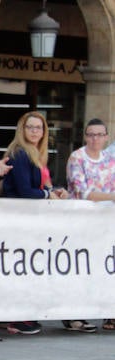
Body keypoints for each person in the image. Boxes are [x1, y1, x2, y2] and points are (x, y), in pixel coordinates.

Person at [0, 111, 69, 336]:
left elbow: (38, 188)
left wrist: (52, 190)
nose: (34, 131)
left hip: (30, 220)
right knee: (18, 268)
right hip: (18, 218)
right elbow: (24, 191)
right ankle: (16, 317)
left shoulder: (37, 155)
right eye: (30, 127)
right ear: (22, 129)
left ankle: (19, 315)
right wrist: (47, 196)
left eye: (38, 128)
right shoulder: (19, 153)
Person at [65, 118, 115, 332]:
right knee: (79, 266)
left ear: (106, 137)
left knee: (105, 267)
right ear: (86, 136)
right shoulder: (77, 157)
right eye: (91, 134)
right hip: (81, 221)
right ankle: (74, 315)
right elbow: (81, 191)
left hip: (105, 222)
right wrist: (111, 197)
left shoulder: (110, 160)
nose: (95, 139)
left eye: (99, 134)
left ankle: (108, 313)